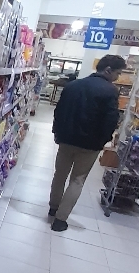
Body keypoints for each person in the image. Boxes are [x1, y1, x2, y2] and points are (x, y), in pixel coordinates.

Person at [48, 54, 127, 232]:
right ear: (108, 70)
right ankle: (60, 220)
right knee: (78, 179)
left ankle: (53, 208)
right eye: (118, 73)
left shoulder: (73, 85)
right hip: (90, 145)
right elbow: (110, 120)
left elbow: (59, 111)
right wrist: (103, 140)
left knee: (59, 175)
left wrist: (57, 133)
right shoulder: (110, 91)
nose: (118, 77)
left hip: (66, 140)